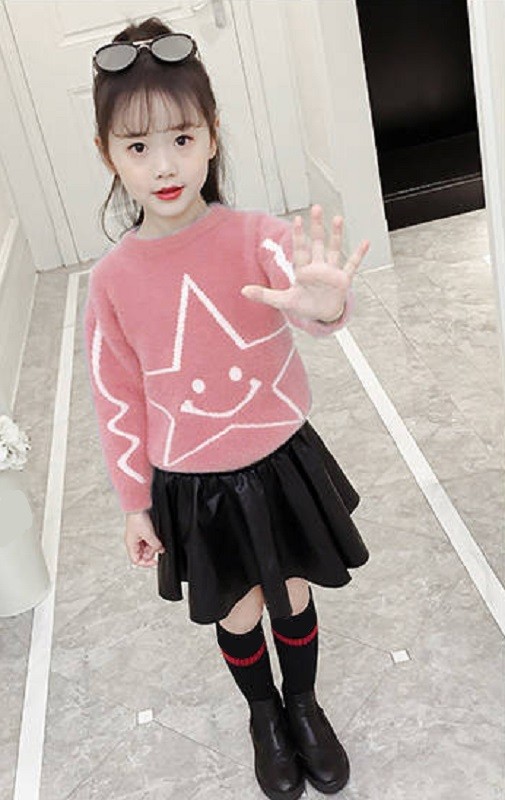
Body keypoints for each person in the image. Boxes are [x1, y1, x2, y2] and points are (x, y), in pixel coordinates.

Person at [84, 16, 370, 800]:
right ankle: (263, 716)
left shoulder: (256, 235)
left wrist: (324, 304)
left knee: (293, 593)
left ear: (211, 135)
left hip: (278, 460)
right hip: (192, 482)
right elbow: (116, 397)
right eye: (137, 146)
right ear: (107, 155)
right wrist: (134, 502)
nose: (163, 164)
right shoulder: (111, 282)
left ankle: (303, 704)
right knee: (239, 610)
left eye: (181, 137)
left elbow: (309, 301)